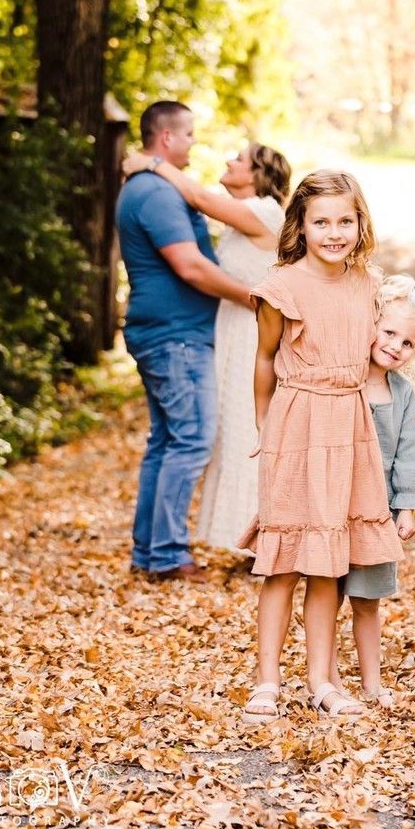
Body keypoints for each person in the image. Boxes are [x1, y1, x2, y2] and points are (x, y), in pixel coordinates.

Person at [239, 170, 404, 724]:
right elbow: (265, 359)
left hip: (350, 426)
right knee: (284, 561)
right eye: (322, 222)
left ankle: (321, 680)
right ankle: (266, 680)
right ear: (301, 227)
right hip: (297, 424)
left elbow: (389, 354)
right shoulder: (281, 288)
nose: (334, 232)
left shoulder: (370, 285)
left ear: (360, 224)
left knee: (328, 563)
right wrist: (266, 429)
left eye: (345, 221)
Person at [123, 143, 291, 552]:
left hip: (253, 335)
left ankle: (266, 541)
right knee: (229, 435)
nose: (228, 159)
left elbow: (196, 197)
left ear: (256, 175)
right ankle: (241, 537)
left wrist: (152, 162)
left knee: (247, 431)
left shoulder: (265, 211)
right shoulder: (241, 221)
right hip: (233, 334)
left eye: (239, 158)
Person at [115, 101, 254, 582]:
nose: (194, 142)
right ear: (167, 138)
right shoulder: (155, 193)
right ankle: (168, 555)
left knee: (168, 441)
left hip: (168, 332)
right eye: (190, 134)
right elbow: (191, 266)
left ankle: (149, 552)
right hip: (174, 337)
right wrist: (252, 298)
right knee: (193, 439)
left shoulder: (152, 185)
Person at [338, 274, 415, 707]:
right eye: (389, 332)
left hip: (378, 513)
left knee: (367, 600)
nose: (395, 345)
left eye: (407, 342)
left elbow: (410, 452)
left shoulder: (403, 392)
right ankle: (328, 679)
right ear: (371, 324)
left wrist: (406, 508)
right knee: (326, 593)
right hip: (335, 506)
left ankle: (372, 684)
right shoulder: (345, 379)